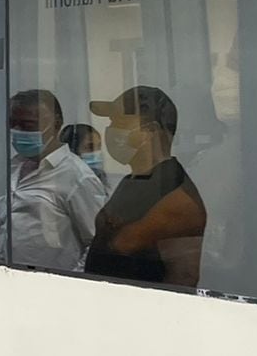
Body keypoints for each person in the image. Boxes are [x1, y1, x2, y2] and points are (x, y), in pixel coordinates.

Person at [84, 86, 207, 287]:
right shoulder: (134, 180)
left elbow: (184, 274)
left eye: (119, 123)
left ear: (149, 132)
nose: (110, 130)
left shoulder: (174, 193)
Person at [0, 90, 107, 270]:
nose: (18, 131)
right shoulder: (15, 167)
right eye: (12, 124)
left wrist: (71, 282)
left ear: (56, 125)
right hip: (5, 279)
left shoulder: (77, 176)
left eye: (28, 125)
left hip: (50, 288)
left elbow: (98, 242)